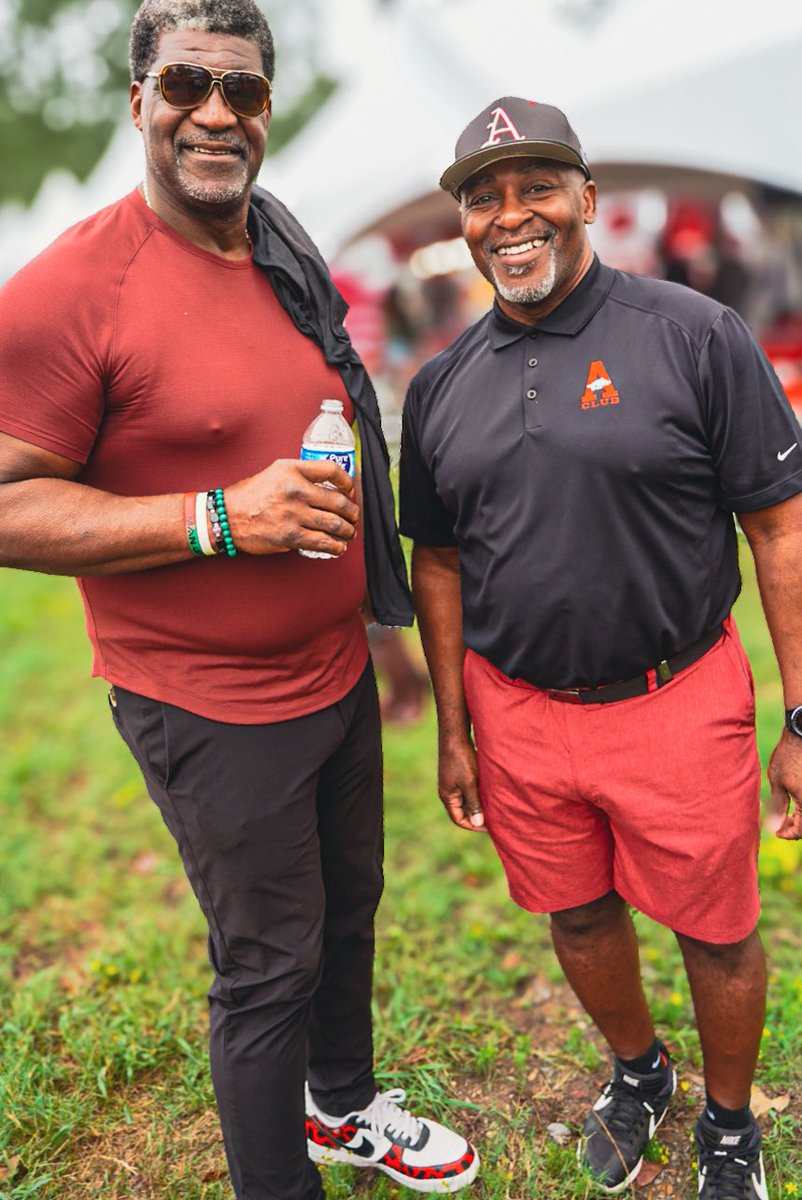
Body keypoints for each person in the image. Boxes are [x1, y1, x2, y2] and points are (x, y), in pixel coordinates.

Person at [0, 3, 479, 1198]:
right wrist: (214, 518)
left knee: (350, 909)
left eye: (244, 90)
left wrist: (375, 625)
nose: (216, 113)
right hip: (208, 702)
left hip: (334, 671)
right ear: (139, 103)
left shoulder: (278, 245)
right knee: (270, 968)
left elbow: (328, 440)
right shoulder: (72, 289)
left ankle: (344, 1107)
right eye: (186, 85)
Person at [399, 96, 802, 1197]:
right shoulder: (439, 387)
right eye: (483, 197)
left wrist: (800, 718)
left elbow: (779, 528)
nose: (510, 215)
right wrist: (453, 729)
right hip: (518, 712)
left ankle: (730, 1127)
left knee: (717, 934)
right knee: (575, 913)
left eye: (537, 187)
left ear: (586, 199)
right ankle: (638, 1071)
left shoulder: (694, 334)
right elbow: (439, 563)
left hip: (677, 697)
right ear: (464, 222)